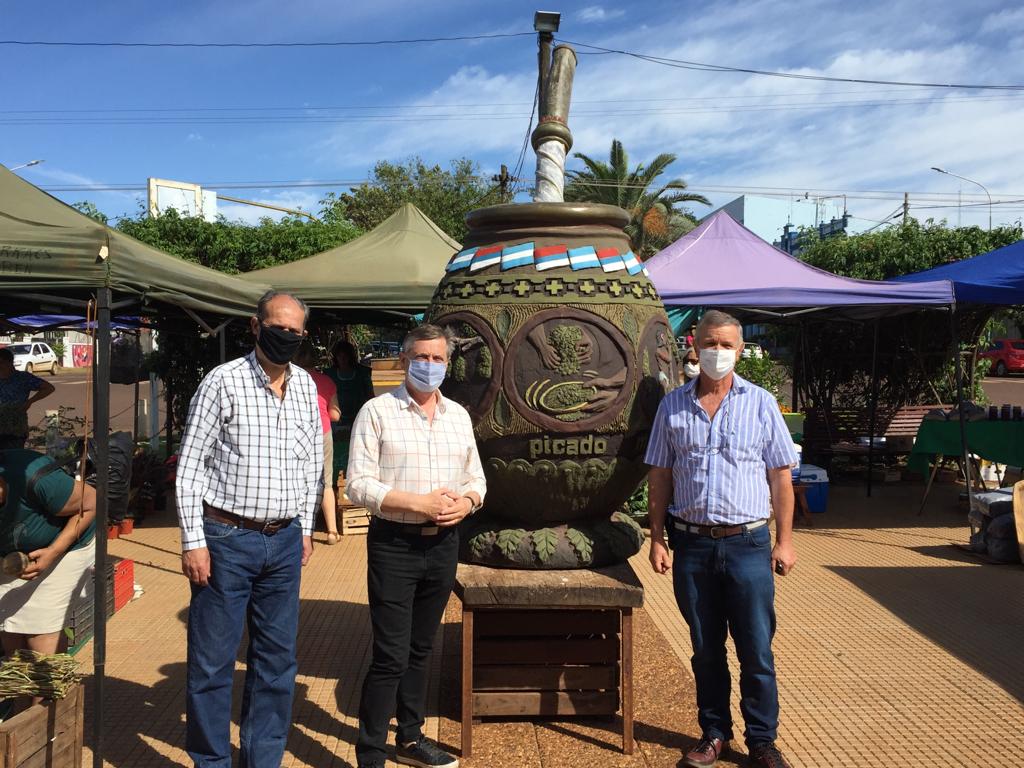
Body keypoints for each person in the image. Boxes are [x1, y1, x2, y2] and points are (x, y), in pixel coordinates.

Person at [175, 290, 323, 768]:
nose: (286, 336)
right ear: (256, 326)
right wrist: (193, 542)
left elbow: (310, 464)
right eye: (277, 327)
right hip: (226, 540)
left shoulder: (305, 387)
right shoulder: (223, 382)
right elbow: (189, 468)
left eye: (294, 331)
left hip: (284, 541)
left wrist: (305, 526)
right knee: (212, 663)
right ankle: (211, 761)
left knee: (276, 663)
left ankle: (263, 759)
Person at [645, 310, 798, 768]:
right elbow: (660, 475)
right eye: (710, 343)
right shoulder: (673, 406)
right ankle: (714, 734)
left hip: (748, 544)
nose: (718, 352)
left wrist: (785, 541)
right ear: (695, 344)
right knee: (705, 649)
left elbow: (781, 477)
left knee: (756, 649)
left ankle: (762, 741)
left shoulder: (762, 403)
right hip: (692, 546)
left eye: (727, 345)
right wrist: (657, 538)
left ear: (739, 350)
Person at [347, 324, 486, 768]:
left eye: (438, 358)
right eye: (421, 357)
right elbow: (358, 484)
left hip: (443, 545)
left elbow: (477, 478)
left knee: (422, 648)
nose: (429, 365)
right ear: (404, 360)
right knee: (390, 655)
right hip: (394, 544)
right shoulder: (377, 412)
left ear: (448, 363)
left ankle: (410, 737)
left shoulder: (458, 416)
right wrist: (417, 503)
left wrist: (467, 502)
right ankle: (371, 752)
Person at [0, 448, 96, 660]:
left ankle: (47, 681)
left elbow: (90, 503)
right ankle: (19, 679)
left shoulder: (35, 478)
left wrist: (54, 551)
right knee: (9, 632)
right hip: (12, 554)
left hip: (66, 548)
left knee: (40, 639)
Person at [294, 340, 343, 543]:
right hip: (322, 432)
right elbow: (335, 415)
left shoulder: (288, 379)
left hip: (295, 433)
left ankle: (301, 530)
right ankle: (332, 531)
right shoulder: (326, 381)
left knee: (298, 481)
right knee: (326, 481)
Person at [323, 339, 374, 484]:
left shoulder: (363, 373)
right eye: (340, 356)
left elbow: (371, 397)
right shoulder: (329, 374)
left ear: (351, 357)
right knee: (338, 455)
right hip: (336, 424)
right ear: (336, 357)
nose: (343, 359)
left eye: (346, 356)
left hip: (359, 420)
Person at [0, 348, 55, 450]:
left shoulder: (23, 378)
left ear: (9, 362)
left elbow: (49, 388)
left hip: (16, 427)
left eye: (1, 363)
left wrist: (30, 401)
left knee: (14, 455)